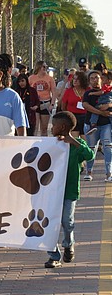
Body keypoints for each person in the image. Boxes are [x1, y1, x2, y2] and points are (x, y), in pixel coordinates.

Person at [44, 111, 94, 268]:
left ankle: (68, 244)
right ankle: (53, 255)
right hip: (50, 192)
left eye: (54, 125)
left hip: (69, 191)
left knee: (67, 221)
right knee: (49, 223)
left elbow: (90, 155)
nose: (51, 128)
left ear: (62, 127)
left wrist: (73, 141)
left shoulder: (77, 144)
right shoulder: (50, 144)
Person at [82, 71, 112, 181]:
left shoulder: (108, 91)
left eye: (97, 77)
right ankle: (89, 172)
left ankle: (109, 173)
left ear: (101, 79)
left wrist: (108, 106)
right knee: (91, 148)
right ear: (89, 81)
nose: (95, 80)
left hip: (106, 124)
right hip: (91, 125)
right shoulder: (88, 93)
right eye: (92, 78)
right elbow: (86, 106)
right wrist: (101, 112)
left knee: (108, 147)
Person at [28, 60, 56, 136]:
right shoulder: (31, 78)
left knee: (44, 128)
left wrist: (52, 104)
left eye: (46, 67)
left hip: (45, 103)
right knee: (35, 127)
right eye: (43, 66)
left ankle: (44, 141)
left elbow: (54, 92)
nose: (45, 68)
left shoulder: (50, 79)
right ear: (39, 67)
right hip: (35, 103)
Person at [60, 71, 88, 138]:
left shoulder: (88, 90)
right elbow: (63, 106)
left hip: (85, 117)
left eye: (77, 79)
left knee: (85, 139)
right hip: (73, 116)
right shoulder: (69, 91)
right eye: (74, 79)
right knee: (74, 139)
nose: (75, 81)